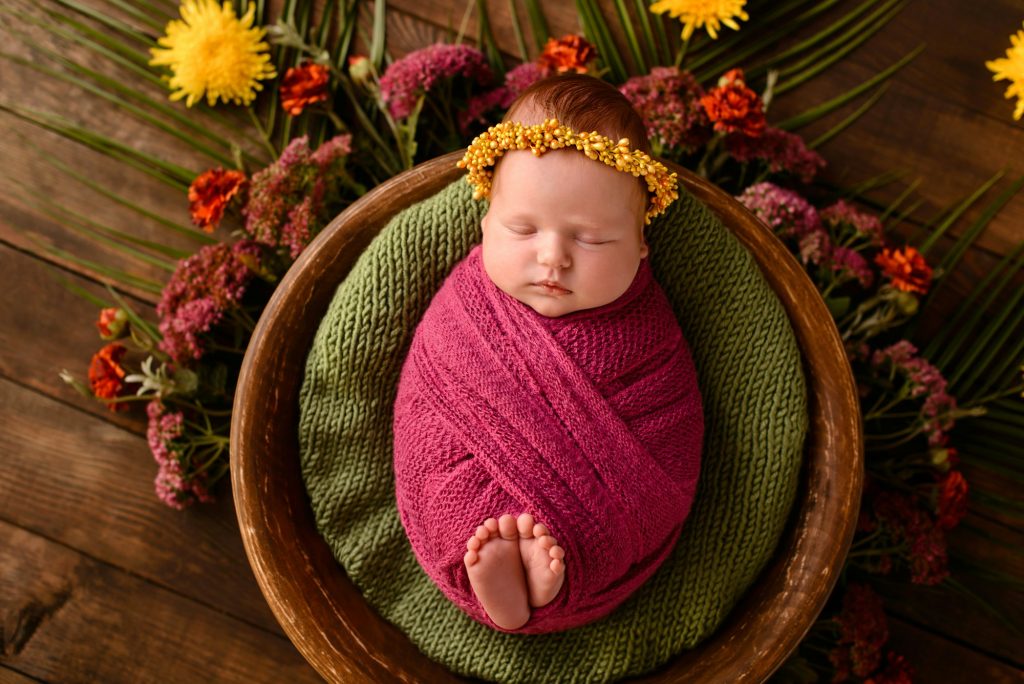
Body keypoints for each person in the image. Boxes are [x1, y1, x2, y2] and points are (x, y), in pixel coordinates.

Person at [392, 72, 703, 634]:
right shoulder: (468, 305)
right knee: (443, 475)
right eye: (523, 228)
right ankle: (501, 576)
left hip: (596, 517)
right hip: (479, 477)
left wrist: (564, 498)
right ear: (486, 224)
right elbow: (430, 381)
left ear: (640, 245)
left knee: (648, 491)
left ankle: (543, 582)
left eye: (590, 239)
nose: (554, 257)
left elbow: (671, 414)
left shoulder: (648, 334)